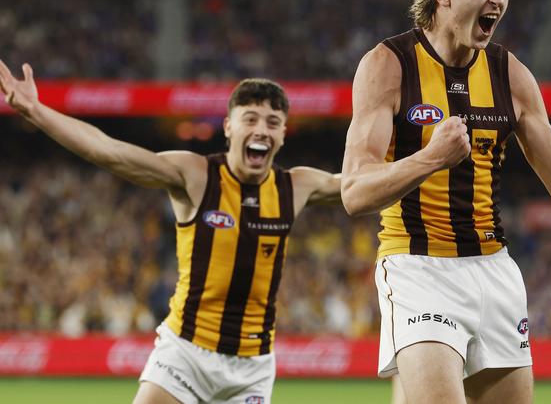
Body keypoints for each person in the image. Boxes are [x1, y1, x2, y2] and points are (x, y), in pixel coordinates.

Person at [341, 0, 551, 404]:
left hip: (494, 271)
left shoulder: (510, 73)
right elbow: (354, 192)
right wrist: (430, 158)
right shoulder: (389, 65)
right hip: (417, 267)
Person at [0, 64, 341, 404]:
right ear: (228, 127)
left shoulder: (296, 186)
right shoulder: (196, 175)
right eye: (250, 119)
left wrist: (396, 153)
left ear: (283, 134)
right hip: (186, 354)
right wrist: (36, 110)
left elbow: (360, 186)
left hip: (252, 367)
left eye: (273, 122)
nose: (261, 130)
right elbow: (109, 151)